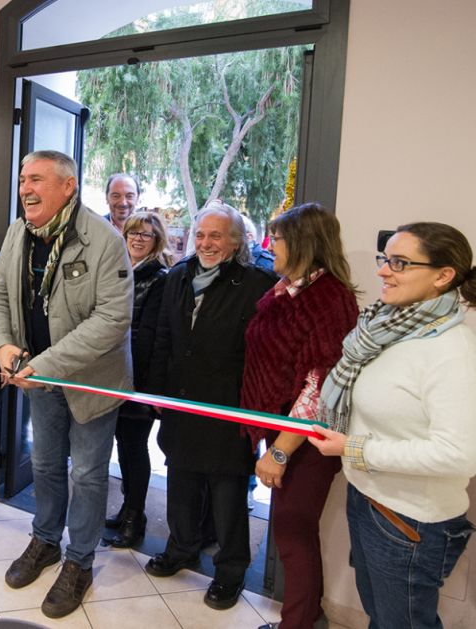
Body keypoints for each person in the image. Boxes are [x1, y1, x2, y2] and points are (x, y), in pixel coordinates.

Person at [0, 150, 133, 619]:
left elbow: (112, 320)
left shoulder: (105, 240)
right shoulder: (18, 233)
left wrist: (43, 363)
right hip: (37, 377)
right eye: (23, 178)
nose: (25, 187)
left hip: (91, 382)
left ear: (67, 186)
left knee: (87, 474)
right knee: (46, 465)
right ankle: (45, 541)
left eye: (37, 179)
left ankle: (80, 562)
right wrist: (3, 347)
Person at [311, 222, 476, 629]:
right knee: (382, 617)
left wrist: (354, 449)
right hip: (368, 498)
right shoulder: (387, 328)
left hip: (409, 521)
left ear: (443, 275)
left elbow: (459, 455)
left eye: (399, 263)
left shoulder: (451, 352)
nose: (383, 270)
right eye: (386, 259)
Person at [144, 201, 276, 611]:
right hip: (181, 400)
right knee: (181, 479)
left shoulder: (258, 283)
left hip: (229, 405)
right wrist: (156, 393)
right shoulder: (178, 277)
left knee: (227, 491)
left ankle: (230, 570)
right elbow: (162, 337)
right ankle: (181, 547)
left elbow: (263, 355)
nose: (206, 243)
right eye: (201, 234)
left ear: (236, 241)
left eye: (216, 235)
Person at [240, 204, 359, 629]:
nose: (272, 247)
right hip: (285, 431)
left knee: (292, 534)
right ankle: (309, 616)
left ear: (304, 243)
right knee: (293, 532)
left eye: (280, 239)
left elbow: (319, 387)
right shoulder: (289, 289)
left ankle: (300, 623)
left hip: (307, 441)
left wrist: (280, 452)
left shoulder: (330, 299)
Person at [103, 211, 171, 548]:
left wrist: (148, 388)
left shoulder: (161, 278)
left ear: (157, 241)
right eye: (133, 232)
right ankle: (128, 509)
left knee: (134, 446)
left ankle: (135, 518)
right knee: (122, 446)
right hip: (112, 372)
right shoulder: (117, 270)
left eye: (146, 234)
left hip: (139, 378)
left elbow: (152, 336)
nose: (138, 238)